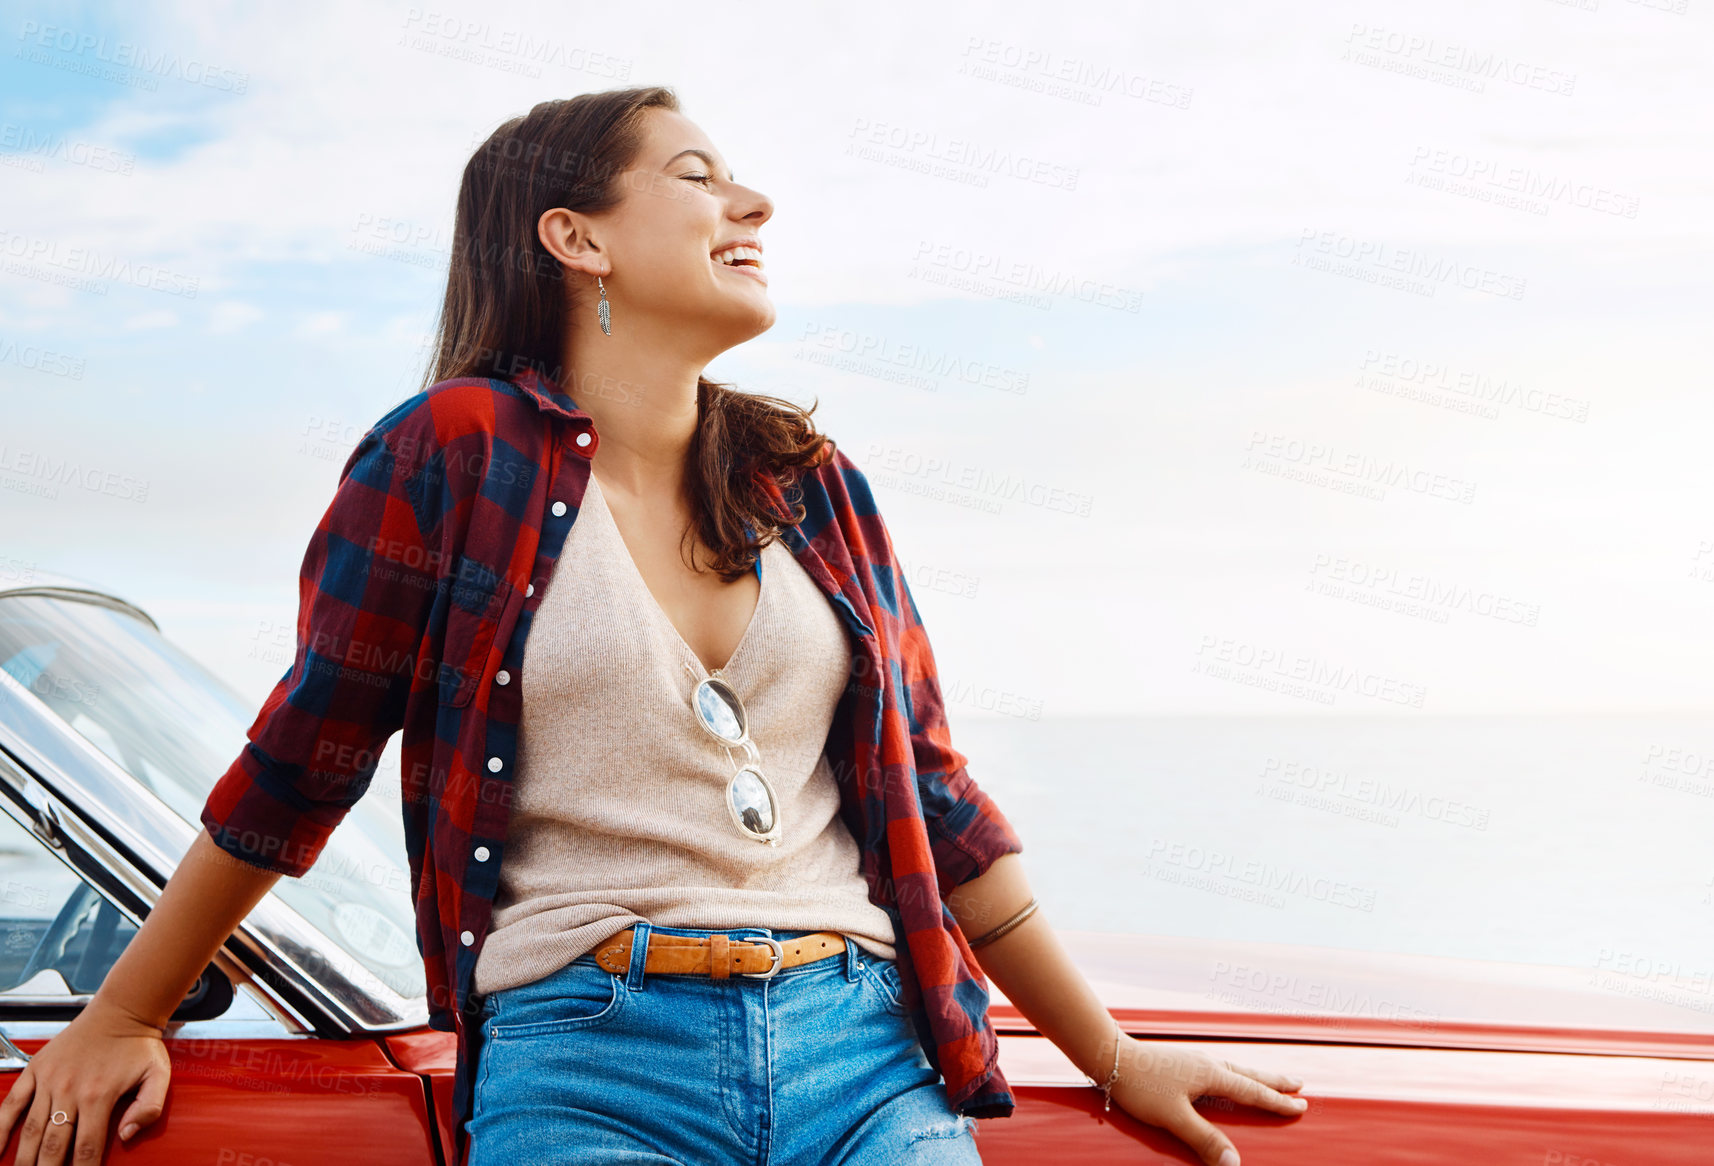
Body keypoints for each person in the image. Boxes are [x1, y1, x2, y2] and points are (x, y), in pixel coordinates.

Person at [0, 86, 1310, 1166]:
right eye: (699, 176)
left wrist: (1113, 1054)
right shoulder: (450, 453)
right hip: (589, 1061)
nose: (753, 202)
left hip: (867, 1056)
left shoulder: (804, 477)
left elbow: (932, 792)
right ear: (578, 239)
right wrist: (125, 1010)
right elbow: (307, 755)